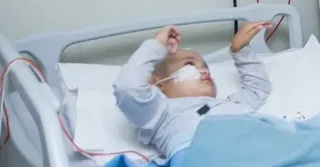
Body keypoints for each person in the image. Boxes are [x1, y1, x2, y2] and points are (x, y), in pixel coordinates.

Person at [113, 20, 272, 158]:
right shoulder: (161, 114)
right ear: (159, 85)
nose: (204, 71)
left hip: (257, 144)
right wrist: (157, 44)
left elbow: (257, 88)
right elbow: (129, 88)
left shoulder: (231, 103)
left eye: (206, 67)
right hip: (206, 158)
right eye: (190, 65)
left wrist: (240, 50)